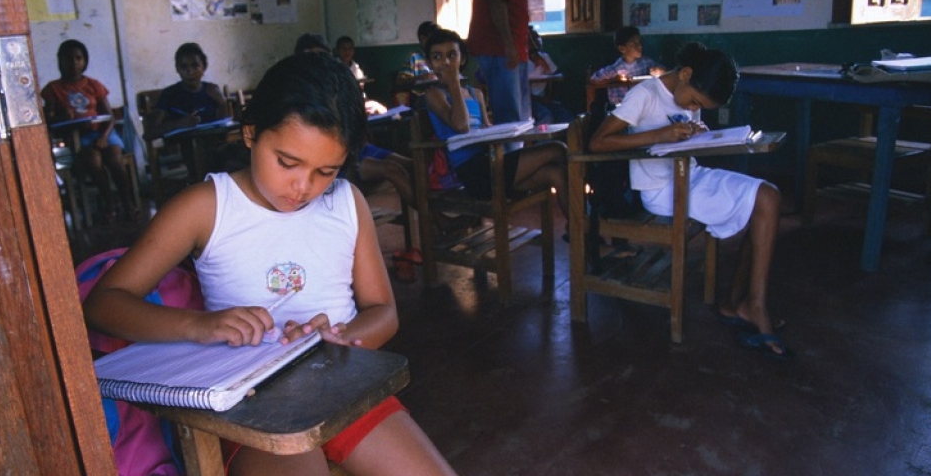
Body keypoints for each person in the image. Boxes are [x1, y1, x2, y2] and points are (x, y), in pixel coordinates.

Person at [82, 52, 458, 476]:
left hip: (344, 389)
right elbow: (104, 303)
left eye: (325, 171)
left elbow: (383, 312)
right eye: (287, 163)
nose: (303, 187)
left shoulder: (346, 202)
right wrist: (200, 325)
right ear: (250, 134)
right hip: (252, 405)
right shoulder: (207, 207)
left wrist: (340, 342)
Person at [587, 42, 791, 360]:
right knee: (763, 202)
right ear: (685, 74)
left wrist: (698, 133)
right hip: (661, 190)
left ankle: (742, 303)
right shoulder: (645, 94)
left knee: (768, 195)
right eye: (695, 100)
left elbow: (681, 135)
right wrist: (659, 135)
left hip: (691, 176)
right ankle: (751, 305)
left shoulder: (686, 92)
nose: (695, 106)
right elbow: (598, 142)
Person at [423, 28, 570, 238]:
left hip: (492, 164)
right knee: (557, 149)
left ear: (462, 59)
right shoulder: (435, 94)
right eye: (437, 57)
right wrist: (454, 82)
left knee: (557, 173)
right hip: (474, 175)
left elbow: (487, 131)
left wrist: (512, 131)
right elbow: (462, 126)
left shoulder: (476, 94)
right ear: (429, 63)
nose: (445, 62)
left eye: (452, 55)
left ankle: (579, 230)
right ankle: (596, 204)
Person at [295, 34, 420, 277]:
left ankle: (425, 231)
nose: (317, 64)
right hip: (338, 162)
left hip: (358, 149)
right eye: (309, 58)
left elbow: (354, 123)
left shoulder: (337, 87)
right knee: (393, 170)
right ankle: (433, 223)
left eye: (321, 57)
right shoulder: (300, 96)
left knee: (411, 164)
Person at [41, 39, 138, 223]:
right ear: (60, 61)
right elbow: (49, 119)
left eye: (79, 58)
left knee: (115, 159)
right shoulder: (53, 89)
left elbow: (109, 116)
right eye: (68, 59)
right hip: (79, 139)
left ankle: (128, 202)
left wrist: (104, 136)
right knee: (94, 161)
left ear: (85, 61)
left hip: (104, 133)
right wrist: (62, 117)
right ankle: (110, 201)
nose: (74, 63)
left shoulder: (94, 85)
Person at [466, 0, 554, 126]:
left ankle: (519, 154)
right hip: (498, 50)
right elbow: (496, 3)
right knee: (509, 113)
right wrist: (508, 44)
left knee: (522, 115)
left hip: (513, 52)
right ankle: (510, 156)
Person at [144, 42, 229, 140]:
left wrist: (222, 104)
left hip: (213, 148)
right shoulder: (169, 94)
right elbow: (149, 133)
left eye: (195, 65)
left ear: (204, 67)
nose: (190, 72)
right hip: (184, 151)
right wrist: (179, 124)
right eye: (184, 67)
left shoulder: (212, 91)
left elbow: (224, 134)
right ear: (177, 69)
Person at [589, 25, 664, 110]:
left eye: (639, 42)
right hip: (622, 108)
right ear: (622, 49)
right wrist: (613, 78)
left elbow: (664, 71)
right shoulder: (617, 67)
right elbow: (594, 79)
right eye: (634, 44)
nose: (639, 46)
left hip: (642, 105)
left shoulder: (645, 62)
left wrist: (659, 71)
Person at [527, 26, 572, 125]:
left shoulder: (544, 57)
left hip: (545, 99)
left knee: (566, 117)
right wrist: (541, 100)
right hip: (529, 102)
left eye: (538, 37)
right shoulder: (521, 63)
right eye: (533, 39)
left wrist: (549, 97)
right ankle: (543, 141)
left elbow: (555, 76)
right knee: (546, 117)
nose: (538, 41)